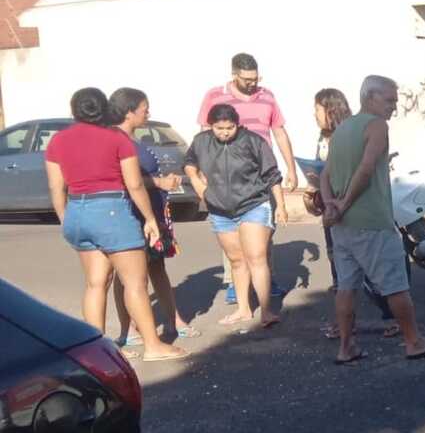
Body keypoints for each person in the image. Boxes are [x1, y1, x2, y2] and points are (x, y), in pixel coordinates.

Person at [45, 88, 187, 362]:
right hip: (111, 210)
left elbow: (55, 185)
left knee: (96, 284)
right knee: (135, 282)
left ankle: (95, 351)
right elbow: (134, 184)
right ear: (104, 109)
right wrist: (149, 218)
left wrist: (66, 217)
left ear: (74, 110)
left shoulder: (57, 141)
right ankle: (153, 346)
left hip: (77, 208)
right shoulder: (117, 139)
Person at [320, 75, 425, 365]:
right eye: (389, 100)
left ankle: (346, 346)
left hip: (342, 226)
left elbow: (325, 174)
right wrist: (344, 204)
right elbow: (365, 171)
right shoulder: (376, 126)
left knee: (346, 287)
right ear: (370, 97)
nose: (394, 107)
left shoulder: (342, 129)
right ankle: (413, 341)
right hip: (371, 220)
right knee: (394, 285)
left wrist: (332, 205)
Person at [197, 53, 296, 304]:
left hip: (260, 173)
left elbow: (279, 132)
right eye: (246, 79)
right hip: (225, 176)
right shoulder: (214, 96)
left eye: (255, 78)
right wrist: (202, 175)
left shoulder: (267, 96)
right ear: (234, 74)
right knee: (230, 230)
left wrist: (291, 168)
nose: (252, 83)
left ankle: (265, 278)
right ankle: (234, 281)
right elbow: (204, 135)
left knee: (263, 228)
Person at [107, 87, 201, 350]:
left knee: (157, 267)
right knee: (126, 274)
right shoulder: (115, 140)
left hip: (152, 210)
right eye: (144, 107)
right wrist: (159, 181)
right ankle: (129, 328)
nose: (148, 111)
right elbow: (125, 180)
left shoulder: (133, 138)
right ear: (128, 111)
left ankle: (174, 320)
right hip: (133, 213)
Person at [184, 104, 287, 329]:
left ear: (238, 125)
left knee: (256, 257)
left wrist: (280, 205)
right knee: (237, 261)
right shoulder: (201, 141)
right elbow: (189, 162)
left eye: (229, 128)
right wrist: (195, 180)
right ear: (211, 126)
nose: (224, 133)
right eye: (219, 128)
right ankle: (243, 309)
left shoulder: (253, 141)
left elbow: (272, 174)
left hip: (254, 204)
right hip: (220, 209)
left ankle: (266, 309)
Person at [308, 87, 398, 340]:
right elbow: (335, 173)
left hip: (350, 214)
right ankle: (407, 336)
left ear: (330, 109)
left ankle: (383, 327)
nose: (314, 115)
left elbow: (365, 170)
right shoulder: (337, 134)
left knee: (366, 278)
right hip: (341, 213)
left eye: (316, 109)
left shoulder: (355, 130)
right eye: (390, 100)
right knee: (354, 279)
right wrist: (331, 204)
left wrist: (336, 205)